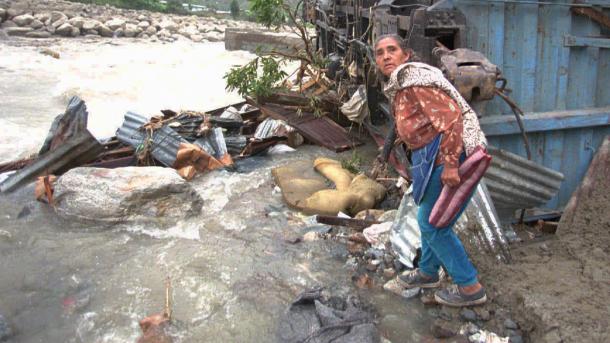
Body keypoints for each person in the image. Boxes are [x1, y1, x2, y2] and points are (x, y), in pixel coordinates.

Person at [374, 34, 488, 307]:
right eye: (380, 53)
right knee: (428, 215)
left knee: (434, 224)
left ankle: (470, 287)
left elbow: (451, 120)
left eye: (392, 50)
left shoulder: (414, 80)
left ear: (406, 55)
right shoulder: (402, 85)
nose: (386, 56)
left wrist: (450, 164)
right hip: (428, 155)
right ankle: (427, 272)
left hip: (445, 153)